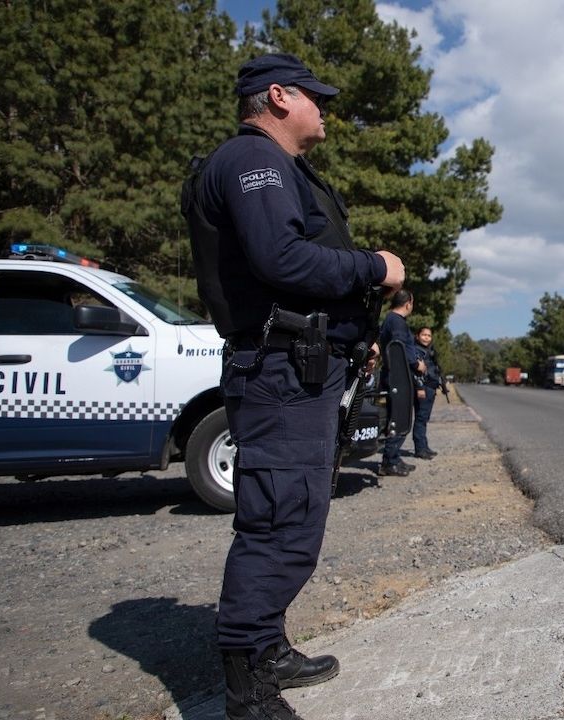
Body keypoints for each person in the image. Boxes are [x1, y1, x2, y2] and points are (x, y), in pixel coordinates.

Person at [182, 53, 405, 720]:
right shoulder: (254, 162)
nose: (325, 107)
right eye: (316, 96)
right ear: (277, 96)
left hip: (296, 368)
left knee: (295, 512)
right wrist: (376, 267)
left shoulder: (277, 167)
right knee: (280, 519)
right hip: (280, 369)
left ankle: (267, 643)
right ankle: (247, 686)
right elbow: (281, 259)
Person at [377, 290, 423, 476]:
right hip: (399, 377)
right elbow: (399, 348)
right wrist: (416, 363)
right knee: (399, 417)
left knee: (397, 417)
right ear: (408, 303)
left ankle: (393, 457)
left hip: (396, 376)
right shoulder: (396, 322)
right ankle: (389, 462)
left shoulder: (392, 320)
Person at [412, 326, 444, 460]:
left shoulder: (429, 351)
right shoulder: (416, 351)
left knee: (424, 419)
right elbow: (416, 372)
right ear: (417, 336)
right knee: (420, 419)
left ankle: (424, 446)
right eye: (424, 335)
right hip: (423, 388)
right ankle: (420, 449)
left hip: (430, 388)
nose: (426, 337)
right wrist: (419, 388)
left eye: (429, 335)